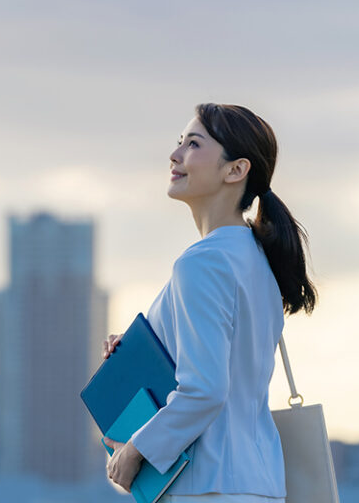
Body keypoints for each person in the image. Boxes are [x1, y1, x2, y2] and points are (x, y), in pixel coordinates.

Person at [101, 103, 318, 502]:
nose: (176, 154)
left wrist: (136, 450)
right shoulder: (256, 259)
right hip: (256, 485)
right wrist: (139, 353)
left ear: (235, 170)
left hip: (207, 486)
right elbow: (226, 373)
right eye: (179, 142)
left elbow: (206, 390)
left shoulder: (202, 262)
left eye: (193, 144)